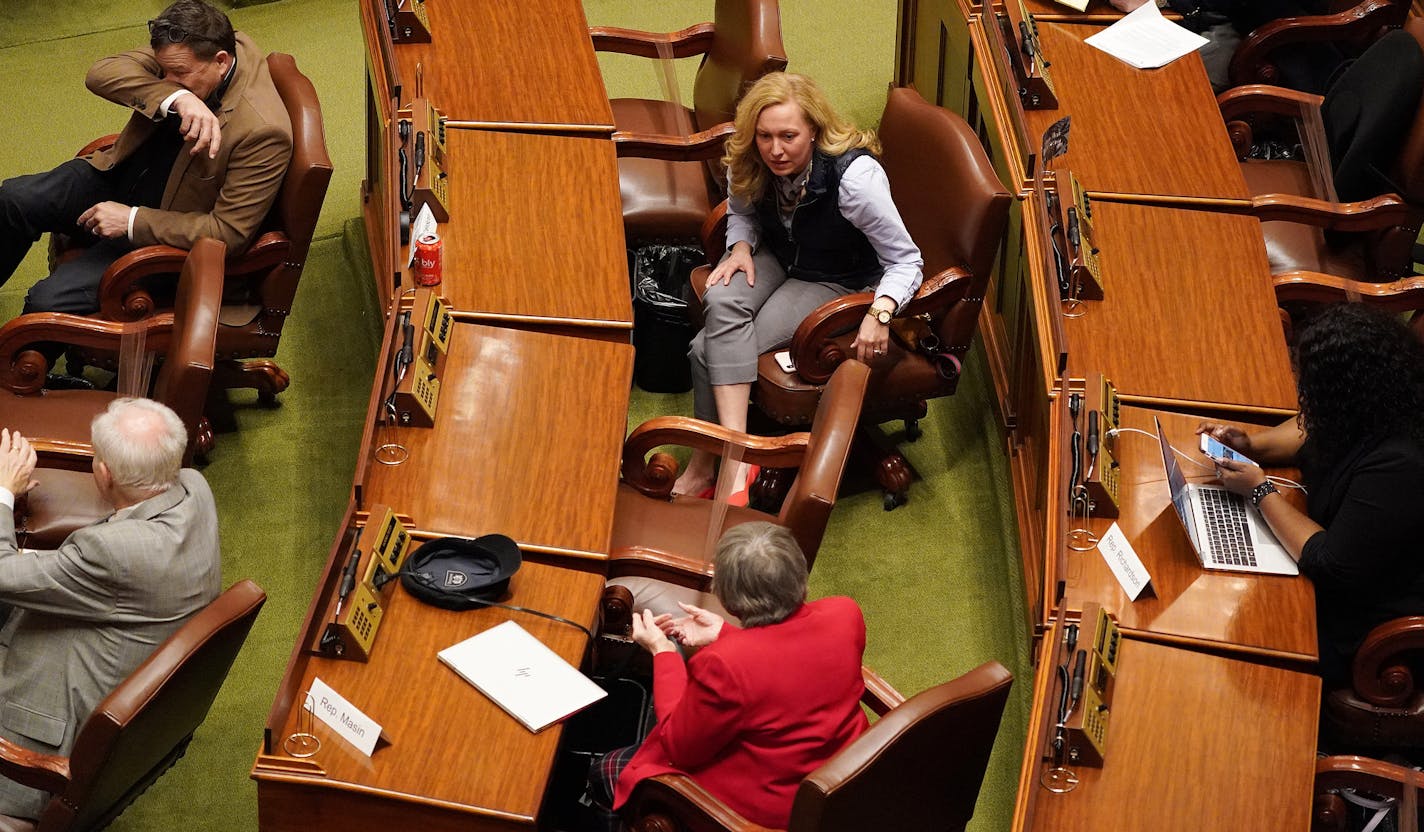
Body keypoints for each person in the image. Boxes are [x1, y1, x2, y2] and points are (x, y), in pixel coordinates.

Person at [673, 72, 923, 504]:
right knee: (720, 296)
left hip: (832, 275)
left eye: (788, 136)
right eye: (765, 136)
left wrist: (881, 311)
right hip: (779, 254)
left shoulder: (855, 179)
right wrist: (740, 246)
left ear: (814, 130)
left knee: (704, 348)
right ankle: (736, 450)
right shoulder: (752, 157)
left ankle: (708, 463)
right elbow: (742, 210)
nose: (775, 149)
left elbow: (906, 260)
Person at [0, 398, 222, 819]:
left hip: (33, 740)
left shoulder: (110, 553)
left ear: (102, 473)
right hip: (114, 648)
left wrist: (4, 493)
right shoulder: (195, 489)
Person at [0, 0, 292, 316]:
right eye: (162, 69)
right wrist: (178, 97)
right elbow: (101, 73)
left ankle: (24, 364)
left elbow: (229, 233)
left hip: (160, 231)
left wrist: (131, 220)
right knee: (13, 199)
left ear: (221, 62)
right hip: (119, 176)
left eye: (178, 73)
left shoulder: (263, 133)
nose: (165, 77)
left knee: (46, 302)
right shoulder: (204, 45)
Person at [1199, 304, 1424, 687]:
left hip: (1354, 621)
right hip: (1314, 560)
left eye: (1308, 387)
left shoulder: (1400, 464)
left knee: (1218, 641)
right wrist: (1250, 444)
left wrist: (1260, 490)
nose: (1300, 393)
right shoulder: (1376, 405)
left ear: (1341, 394)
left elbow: (1332, 564)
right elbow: (1308, 429)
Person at [590, 522, 868, 829]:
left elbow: (680, 747)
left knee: (606, 773)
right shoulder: (845, 613)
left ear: (728, 597)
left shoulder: (725, 666)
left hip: (772, 806)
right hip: (841, 777)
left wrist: (661, 650)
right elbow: (788, 663)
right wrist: (727, 635)